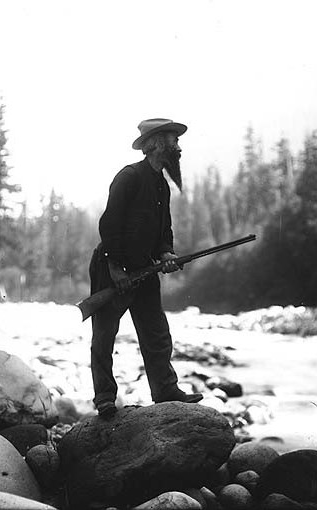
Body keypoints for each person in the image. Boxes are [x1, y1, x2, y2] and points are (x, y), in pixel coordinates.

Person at [89, 118, 203, 417]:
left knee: (157, 334)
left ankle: (165, 390)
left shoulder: (161, 186)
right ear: (156, 145)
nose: (178, 146)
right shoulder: (128, 177)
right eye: (173, 140)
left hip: (145, 269)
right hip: (110, 267)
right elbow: (109, 224)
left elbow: (163, 230)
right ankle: (103, 398)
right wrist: (115, 268)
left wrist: (166, 254)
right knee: (104, 335)